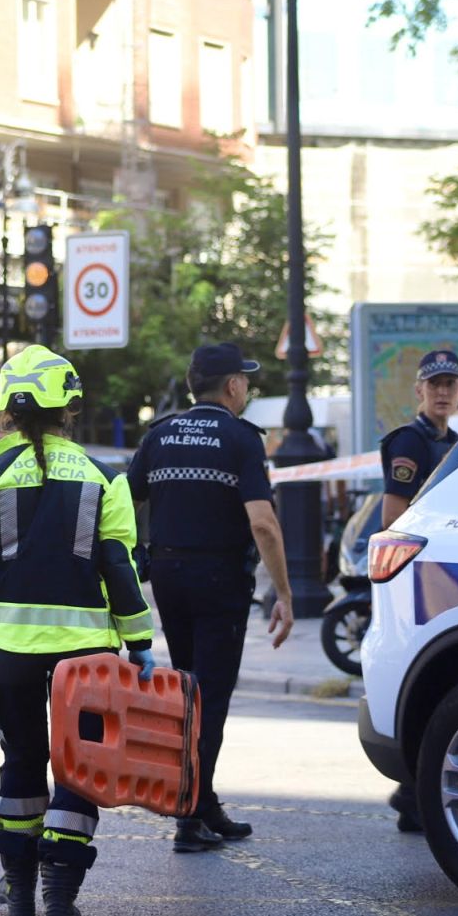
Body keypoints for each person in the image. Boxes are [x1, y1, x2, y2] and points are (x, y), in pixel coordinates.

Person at [0, 347, 154, 916]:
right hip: (88, 655)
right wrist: (141, 640)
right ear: (69, 407)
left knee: (20, 761)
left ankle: (19, 888)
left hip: (6, 648)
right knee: (81, 769)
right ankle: (59, 898)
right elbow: (119, 568)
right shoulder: (106, 478)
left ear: (10, 410)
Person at [127, 344, 295, 853]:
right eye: (245, 381)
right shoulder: (241, 439)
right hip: (219, 579)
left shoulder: (159, 435)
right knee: (210, 699)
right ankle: (189, 817)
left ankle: (201, 801)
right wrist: (283, 592)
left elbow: (124, 498)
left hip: (171, 575)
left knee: (186, 695)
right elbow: (263, 523)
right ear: (232, 387)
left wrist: (137, 551)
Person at [377, 348, 458, 833]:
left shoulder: (456, 441)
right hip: (417, 574)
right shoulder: (410, 441)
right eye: (434, 385)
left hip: (446, 573)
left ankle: (414, 792)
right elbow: (394, 517)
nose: (442, 392)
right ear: (419, 390)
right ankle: (413, 790)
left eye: (450, 384)